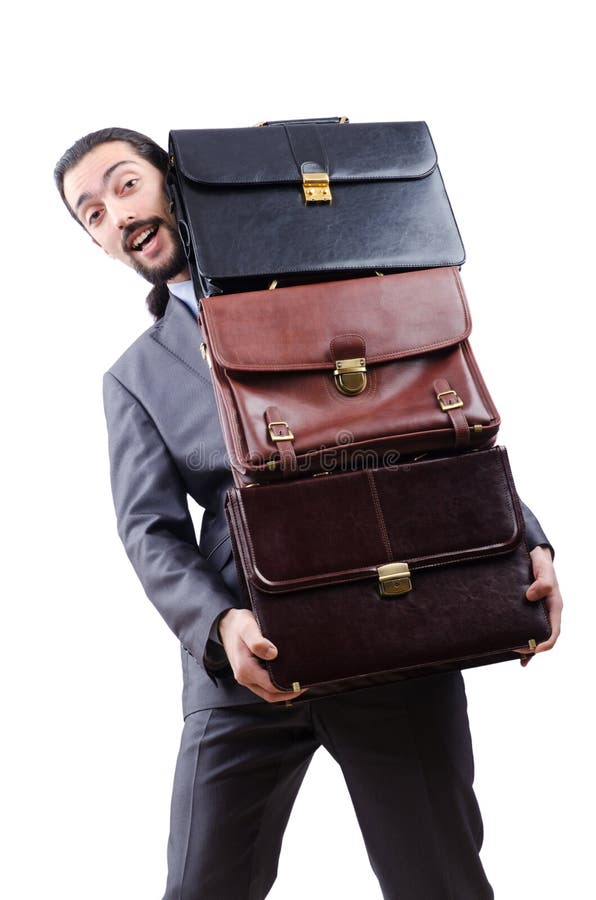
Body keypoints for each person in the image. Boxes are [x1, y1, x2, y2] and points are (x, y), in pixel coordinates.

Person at [55, 127, 562, 900]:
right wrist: (219, 629)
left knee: (441, 884)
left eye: (125, 185)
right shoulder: (135, 377)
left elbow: (434, 428)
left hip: (395, 637)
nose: (114, 215)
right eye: (90, 212)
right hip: (248, 666)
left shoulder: (338, 294)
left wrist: (527, 543)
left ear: (175, 181)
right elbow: (149, 532)